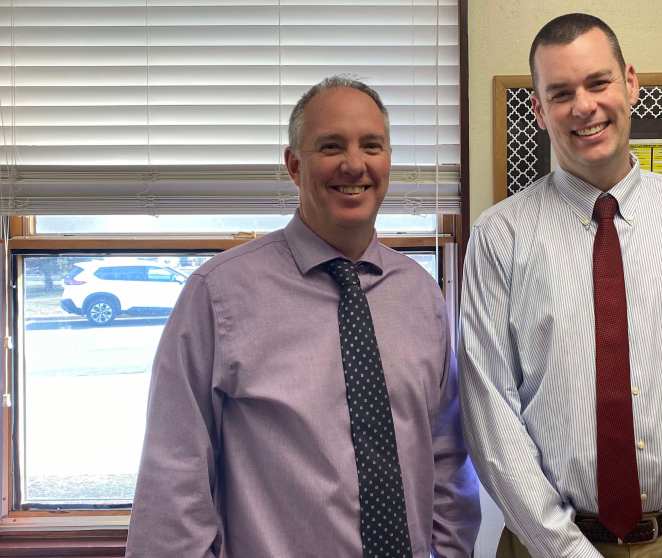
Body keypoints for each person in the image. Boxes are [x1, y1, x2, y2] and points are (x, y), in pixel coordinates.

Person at [126, 76, 480, 557]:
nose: (354, 164)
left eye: (371, 145)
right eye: (331, 146)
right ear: (294, 165)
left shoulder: (420, 296)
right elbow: (173, 483)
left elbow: (447, 463)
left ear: (388, 160)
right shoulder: (216, 295)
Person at [458, 13, 662, 558]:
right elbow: (491, 413)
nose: (584, 106)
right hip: (546, 546)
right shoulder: (499, 237)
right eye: (560, 93)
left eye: (598, 82)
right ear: (538, 110)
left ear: (629, 83)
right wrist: (566, 550)